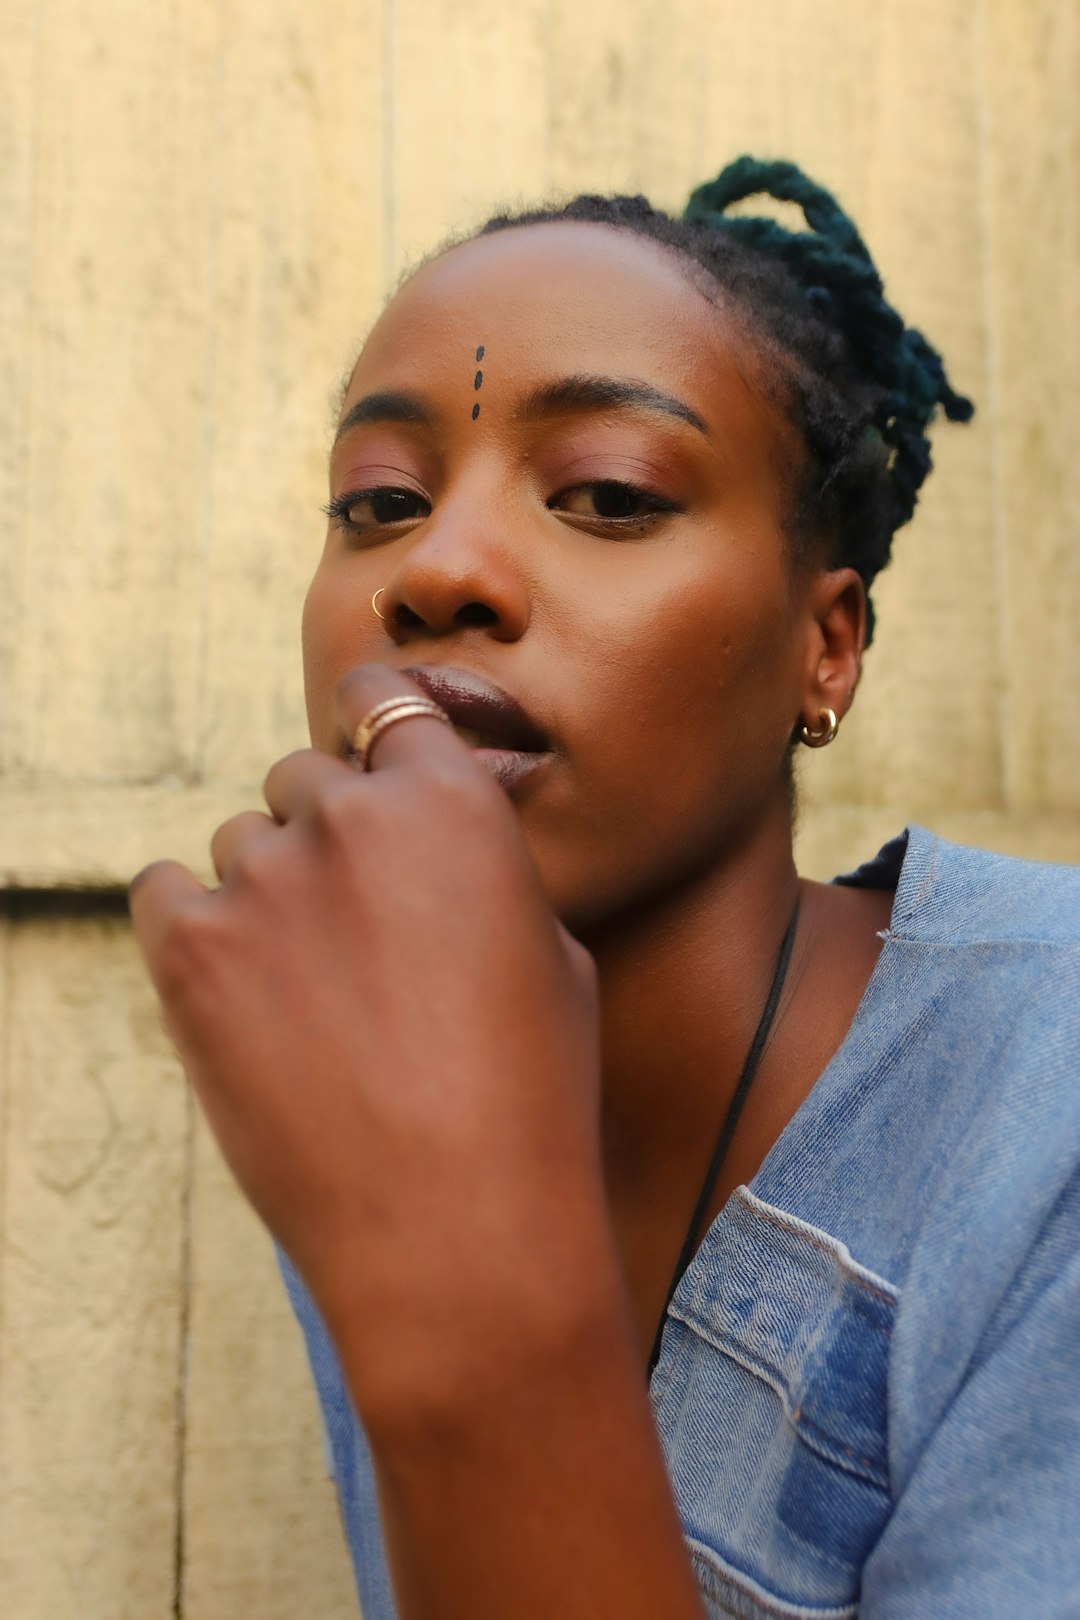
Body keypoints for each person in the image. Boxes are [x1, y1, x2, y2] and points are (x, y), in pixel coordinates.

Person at [130, 157, 1080, 1619]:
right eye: (375, 503)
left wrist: (474, 1306)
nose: (437, 571)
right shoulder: (370, 1077)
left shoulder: (1051, 1101)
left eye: (610, 494)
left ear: (826, 648)